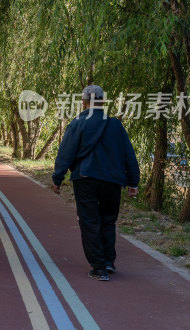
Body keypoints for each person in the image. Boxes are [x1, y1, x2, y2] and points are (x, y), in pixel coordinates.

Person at [52, 85, 139, 281]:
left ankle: (99, 267)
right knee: (108, 221)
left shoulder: (78, 124)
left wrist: (58, 178)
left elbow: (65, 153)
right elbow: (128, 155)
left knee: (90, 222)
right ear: (102, 101)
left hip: (86, 180)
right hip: (112, 181)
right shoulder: (116, 125)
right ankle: (109, 261)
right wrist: (133, 181)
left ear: (84, 101)